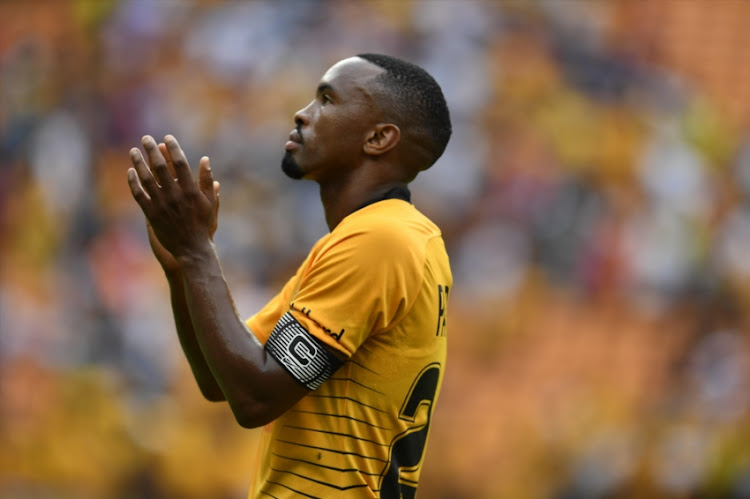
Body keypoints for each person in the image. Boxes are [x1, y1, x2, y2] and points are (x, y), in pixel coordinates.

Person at [127, 53, 452, 498]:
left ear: (378, 138)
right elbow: (220, 379)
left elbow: (255, 397)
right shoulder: (378, 237)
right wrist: (183, 268)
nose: (302, 113)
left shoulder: (382, 240)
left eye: (327, 99)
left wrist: (198, 253)